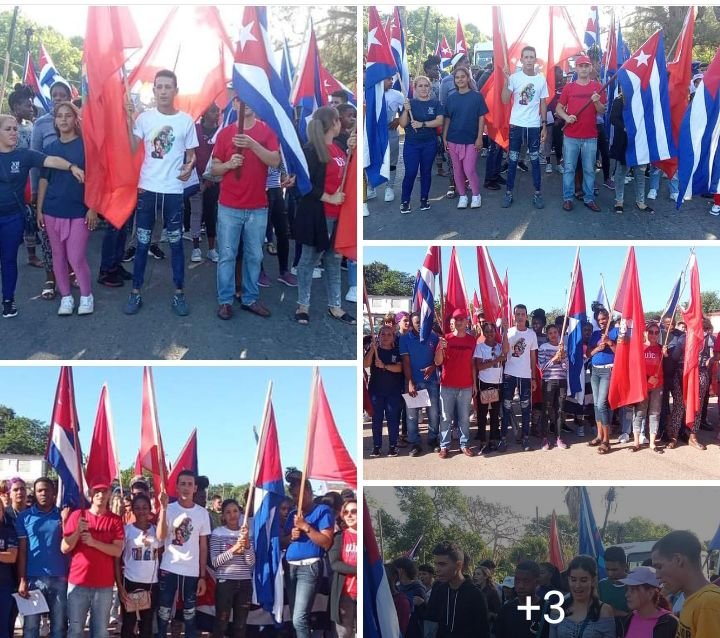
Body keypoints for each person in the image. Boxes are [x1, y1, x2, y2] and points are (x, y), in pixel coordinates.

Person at [123, 69, 198, 316]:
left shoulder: (186, 121)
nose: (163, 91)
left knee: (176, 244)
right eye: (159, 87)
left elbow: (191, 155)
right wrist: (127, 119)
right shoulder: (144, 119)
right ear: (153, 90)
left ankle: (179, 293)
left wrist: (190, 167)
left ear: (176, 90)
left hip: (174, 192)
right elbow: (132, 148)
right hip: (148, 190)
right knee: (142, 243)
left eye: (168, 87)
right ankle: (136, 292)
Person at [0, 114, 85, 318]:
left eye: (15, 129)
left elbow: (50, 160)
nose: (14, 133)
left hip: (12, 218)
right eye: (8, 129)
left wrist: (72, 167)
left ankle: (8, 301)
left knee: (9, 260)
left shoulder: (24, 155)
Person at [293, 106, 355, 326]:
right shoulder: (311, 150)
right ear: (333, 123)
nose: (343, 124)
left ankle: (335, 306)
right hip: (317, 217)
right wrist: (328, 198)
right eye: (339, 120)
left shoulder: (338, 148)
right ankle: (303, 305)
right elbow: (303, 185)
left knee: (333, 261)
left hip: (338, 217)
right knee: (308, 261)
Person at [36, 102, 97, 316]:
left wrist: (93, 208)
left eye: (68, 115)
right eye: (59, 116)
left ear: (75, 119)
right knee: (58, 256)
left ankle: (87, 296)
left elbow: (95, 180)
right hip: (52, 210)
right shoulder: (50, 149)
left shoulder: (86, 146)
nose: (63, 119)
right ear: (54, 121)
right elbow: (43, 180)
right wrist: (39, 209)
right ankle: (66, 297)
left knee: (76, 257)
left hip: (80, 211)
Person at [61, 482, 125, 638]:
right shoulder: (77, 515)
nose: (101, 495)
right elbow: (64, 548)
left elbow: (117, 550)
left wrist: (93, 542)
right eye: (97, 491)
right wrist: (77, 531)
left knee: (101, 631)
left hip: (103, 586)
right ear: (90, 493)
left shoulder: (115, 520)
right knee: (75, 630)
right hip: (78, 583)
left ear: (109, 493)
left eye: (104, 491)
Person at [31, 80, 74, 301]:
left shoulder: (78, 123)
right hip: (48, 190)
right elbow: (34, 159)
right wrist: (36, 193)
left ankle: (70, 273)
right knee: (50, 240)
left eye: (62, 95)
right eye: (54, 94)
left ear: (69, 97)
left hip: (74, 193)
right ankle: (50, 278)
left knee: (72, 239)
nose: (58, 98)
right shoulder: (41, 124)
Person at [155, 470, 210, 638]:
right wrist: (163, 510)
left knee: (190, 616)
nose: (186, 487)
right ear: (177, 487)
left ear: (195, 488)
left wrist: (202, 576)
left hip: (191, 572)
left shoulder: (202, 513)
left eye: (190, 484)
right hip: (169, 567)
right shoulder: (168, 509)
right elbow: (160, 537)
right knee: (163, 613)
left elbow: (203, 546)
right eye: (183, 484)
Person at [16, 478, 68, 638]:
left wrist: (66, 521)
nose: (43, 493)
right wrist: (22, 580)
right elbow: (22, 551)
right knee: (31, 628)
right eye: (39, 490)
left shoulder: (63, 515)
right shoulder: (24, 517)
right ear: (35, 493)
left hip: (60, 578)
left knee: (59, 627)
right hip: (33, 579)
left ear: (53, 493)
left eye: (47, 490)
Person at [283, 477, 334, 638]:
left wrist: (305, 526)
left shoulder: (323, 511)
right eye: (293, 496)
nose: (295, 499)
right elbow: (282, 543)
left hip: (309, 568)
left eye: (298, 494)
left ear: (309, 492)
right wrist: (291, 536)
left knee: (299, 618)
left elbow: (326, 542)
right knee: (295, 617)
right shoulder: (292, 513)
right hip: (290, 567)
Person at [555, 55, 607, 212]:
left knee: (589, 170)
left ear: (590, 68)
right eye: (580, 66)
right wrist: (566, 117)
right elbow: (558, 108)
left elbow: (602, 111)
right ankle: (568, 198)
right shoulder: (569, 88)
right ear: (576, 69)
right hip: (571, 136)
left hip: (590, 137)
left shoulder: (598, 86)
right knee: (569, 168)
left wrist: (597, 101)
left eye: (586, 66)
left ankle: (589, 198)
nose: (584, 68)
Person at [501, 46, 549, 210]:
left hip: (534, 126)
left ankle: (537, 193)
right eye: (526, 57)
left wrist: (544, 125)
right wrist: (506, 80)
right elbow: (505, 100)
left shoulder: (541, 80)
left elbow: (543, 103)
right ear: (521, 60)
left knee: (535, 161)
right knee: (513, 159)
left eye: (531, 57)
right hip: (516, 125)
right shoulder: (514, 78)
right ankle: (508, 192)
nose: (529, 60)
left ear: (535, 60)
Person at [652, 530, 720, 637]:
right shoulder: (692, 600)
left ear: (678, 560)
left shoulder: (709, 603)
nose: (657, 576)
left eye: (659, 567)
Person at [115, 493, 164, 638]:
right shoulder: (127, 530)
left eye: (144, 507)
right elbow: (117, 560)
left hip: (151, 584)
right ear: (132, 511)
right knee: (128, 624)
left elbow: (161, 554)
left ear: (150, 509)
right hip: (130, 582)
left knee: (147, 625)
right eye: (137, 508)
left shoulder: (157, 530)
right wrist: (120, 586)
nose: (141, 511)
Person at [442, 67, 487, 209]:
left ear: (468, 78)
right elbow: (448, 119)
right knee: (457, 170)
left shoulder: (477, 96)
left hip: (471, 139)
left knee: (469, 169)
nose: (460, 79)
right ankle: (462, 195)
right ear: (454, 81)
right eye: (457, 77)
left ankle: (475, 195)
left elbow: (481, 118)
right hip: (453, 138)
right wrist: (444, 137)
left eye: (463, 76)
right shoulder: (451, 98)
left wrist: (480, 137)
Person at [435, 309, 478, 458]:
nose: (459, 322)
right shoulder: (445, 339)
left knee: (464, 418)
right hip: (447, 385)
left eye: (462, 319)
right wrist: (441, 348)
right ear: (453, 322)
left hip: (466, 385)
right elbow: (438, 362)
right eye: (456, 319)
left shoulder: (472, 341)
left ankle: (464, 444)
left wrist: (474, 384)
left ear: (466, 321)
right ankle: (444, 446)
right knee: (446, 418)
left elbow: (473, 364)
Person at [209, 498, 255, 638]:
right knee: (221, 622)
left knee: (240, 625)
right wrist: (233, 550)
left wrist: (247, 545)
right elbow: (215, 562)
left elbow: (251, 562)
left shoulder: (247, 533)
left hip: (245, 583)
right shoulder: (217, 533)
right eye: (228, 512)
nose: (232, 515)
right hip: (225, 583)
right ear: (223, 515)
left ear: (241, 513)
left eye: (235, 511)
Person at [398, 76, 443, 213]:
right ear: (415, 88)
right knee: (410, 173)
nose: (423, 88)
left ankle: (424, 199)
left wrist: (422, 124)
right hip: (412, 144)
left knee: (426, 172)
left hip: (429, 143)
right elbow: (403, 124)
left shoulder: (436, 104)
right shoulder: (409, 103)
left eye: (426, 86)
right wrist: (406, 110)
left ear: (430, 88)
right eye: (420, 86)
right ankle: (405, 201)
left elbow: (440, 121)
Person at [668, 318, 714, 450]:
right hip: (682, 373)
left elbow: (714, 355)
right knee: (679, 405)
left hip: (700, 373)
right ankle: (674, 435)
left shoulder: (709, 339)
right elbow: (675, 357)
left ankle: (693, 437)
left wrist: (709, 361)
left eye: (705, 328)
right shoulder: (683, 338)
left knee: (696, 406)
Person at [426, 541, 489, 638]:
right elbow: (431, 617)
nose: (437, 569)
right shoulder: (439, 589)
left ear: (459, 565)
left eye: (442, 564)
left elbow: (483, 632)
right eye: (436, 564)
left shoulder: (475, 595)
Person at [401, 313, 441, 455]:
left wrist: (433, 366)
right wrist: (410, 382)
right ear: (412, 324)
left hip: (431, 382)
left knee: (434, 413)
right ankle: (414, 443)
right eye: (417, 322)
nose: (420, 325)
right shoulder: (405, 339)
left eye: (423, 322)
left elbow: (438, 359)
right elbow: (405, 362)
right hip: (413, 381)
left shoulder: (434, 337)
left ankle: (432, 439)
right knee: (412, 416)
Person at [501, 305, 539, 452]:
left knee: (525, 409)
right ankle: (503, 438)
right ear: (514, 315)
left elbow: (532, 356)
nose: (520, 316)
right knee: (506, 407)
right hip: (509, 374)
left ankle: (525, 438)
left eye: (523, 314)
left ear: (526, 316)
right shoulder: (509, 332)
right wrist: (504, 331)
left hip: (525, 376)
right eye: (518, 314)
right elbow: (504, 352)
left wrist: (534, 377)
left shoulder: (531, 334)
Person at [609, 90, 654, 214]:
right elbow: (613, 118)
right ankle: (619, 201)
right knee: (621, 172)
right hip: (624, 141)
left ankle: (640, 201)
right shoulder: (619, 100)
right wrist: (625, 127)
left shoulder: (645, 98)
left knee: (640, 172)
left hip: (640, 142)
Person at [549, 555, 617, 637]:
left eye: (583, 580)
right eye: (573, 580)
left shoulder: (605, 611)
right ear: (568, 579)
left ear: (593, 580)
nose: (577, 585)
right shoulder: (557, 610)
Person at [364, 324, 404, 457]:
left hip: (393, 392)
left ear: (393, 337)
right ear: (378, 336)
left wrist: (385, 366)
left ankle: (393, 446)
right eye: (383, 334)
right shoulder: (374, 350)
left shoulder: (397, 351)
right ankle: (377, 446)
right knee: (377, 420)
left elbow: (400, 368)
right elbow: (365, 364)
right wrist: (372, 350)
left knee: (393, 420)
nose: (385, 337)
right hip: (376, 392)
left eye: (389, 334)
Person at [630, 322, 666, 453]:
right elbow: (634, 368)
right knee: (639, 413)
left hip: (657, 386)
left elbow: (668, 368)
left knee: (654, 414)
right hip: (642, 386)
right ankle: (636, 443)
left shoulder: (662, 349)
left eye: (657, 332)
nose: (654, 335)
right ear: (645, 333)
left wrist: (666, 356)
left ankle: (652, 443)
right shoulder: (639, 348)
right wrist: (646, 378)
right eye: (651, 332)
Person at [588, 308, 617, 455]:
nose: (602, 322)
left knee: (602, 404)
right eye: (599, 320)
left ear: (609, 318)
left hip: (608, 371)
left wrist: (610, 343)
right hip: (595, 371)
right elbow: (588, 353)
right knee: (596, 405)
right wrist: (597, 349)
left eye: (604, 318)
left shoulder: (615, 332)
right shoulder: (594, 334)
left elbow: (620, 353)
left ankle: (607, 441)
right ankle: (599, 436)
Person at [618, 566, 678, 638]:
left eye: (633, 590)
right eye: (627, 589)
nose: (627, 594)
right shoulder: (627, 620)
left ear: (650, 593)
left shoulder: (670, 623)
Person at [473, 322, 505, 452]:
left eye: (492, 331)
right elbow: (479, 366)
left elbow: (506, 357)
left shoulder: (500, 347)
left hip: (498, 384)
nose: (489, 334)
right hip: (485, 383)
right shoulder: (480, 347)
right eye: (486, 331)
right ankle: (482, 440)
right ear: (483, 332)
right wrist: (496, 361)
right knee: (482, 414)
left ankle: (492, 440)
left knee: (495, 414)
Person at [495, 561, 549, 638]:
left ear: (537, 582)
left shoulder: (548, 610)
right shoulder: (506, 609)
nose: (521, 586)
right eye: (517, 580)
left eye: (526, 581)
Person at [538, 324, 569, 450]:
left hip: (561, 381)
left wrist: (562, 357)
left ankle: (559, 437)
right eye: (550, 333)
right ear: (547, 335)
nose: (553, 335)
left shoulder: (564, 347)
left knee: (560, 410)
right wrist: (554, 358)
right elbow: (541, 367)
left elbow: (566, 367)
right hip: (549, 381)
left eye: (555, 332)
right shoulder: (543, 347)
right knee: (547, 409)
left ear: (558, 333)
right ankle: (544, 438)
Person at [329, 499, 357, 638]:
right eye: (346, 512)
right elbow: (335, 563)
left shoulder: (367, 539)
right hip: (345, 594)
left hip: (365, 593)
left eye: (354, 511)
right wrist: (358, 570)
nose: (349, 515)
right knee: (344, 634)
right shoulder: (340, 537)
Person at [382, 77, 405, 202]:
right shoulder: (368, 93)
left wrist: (398, 119)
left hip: (390, 132)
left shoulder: (397, 94)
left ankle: (389, 188)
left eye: (391, 79)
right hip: (374, 134)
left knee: (391, 161)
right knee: (371, 160)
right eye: (387, 79)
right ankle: (370, 187)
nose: (391, 81)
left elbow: (407, 108)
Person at [598, 546, 630, 616]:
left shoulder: (636, 585)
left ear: (624, 566)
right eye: (607, 569)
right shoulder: (601, 585)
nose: (610, 574)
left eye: (614, 570)